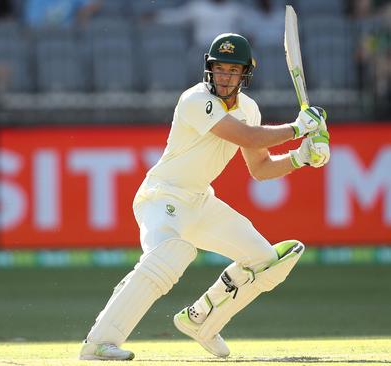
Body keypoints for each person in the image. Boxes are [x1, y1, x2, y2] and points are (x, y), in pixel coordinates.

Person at [79, 33, 330, 361]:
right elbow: (246, 136)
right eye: (219, 69)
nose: (225, 77)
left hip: (200, 202)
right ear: (209, 70)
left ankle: (201, 321)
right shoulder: (195, 100)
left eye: (233, 71)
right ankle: (99, 343)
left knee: (267, 261)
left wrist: (301, 157)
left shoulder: (249, 109)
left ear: (244, 75)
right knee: (170, 255)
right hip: (162, 195)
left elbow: (261, 167)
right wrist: (298, 129)